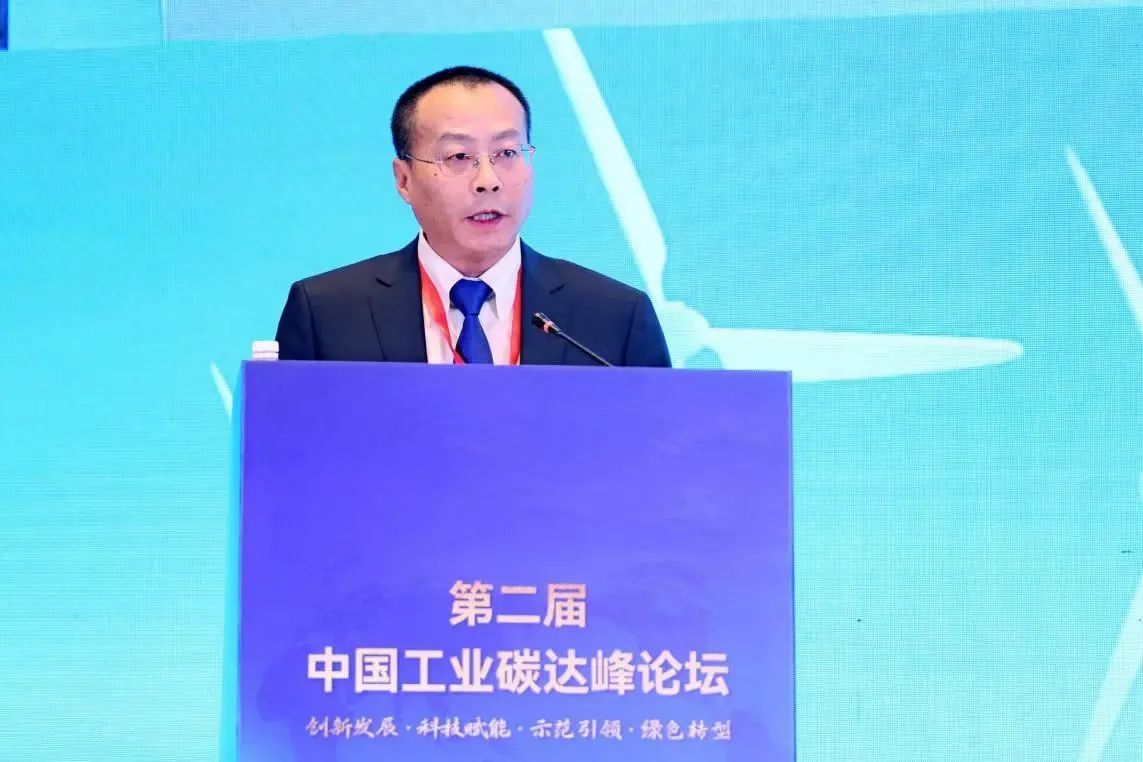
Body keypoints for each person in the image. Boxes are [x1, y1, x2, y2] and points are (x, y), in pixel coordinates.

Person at [274, 65, 671, 367]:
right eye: (459, 156)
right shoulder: (327, 314)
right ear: (404, 179)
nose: (488, 181)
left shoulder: (615, 317)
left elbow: (660, 448)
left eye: (507, 153)